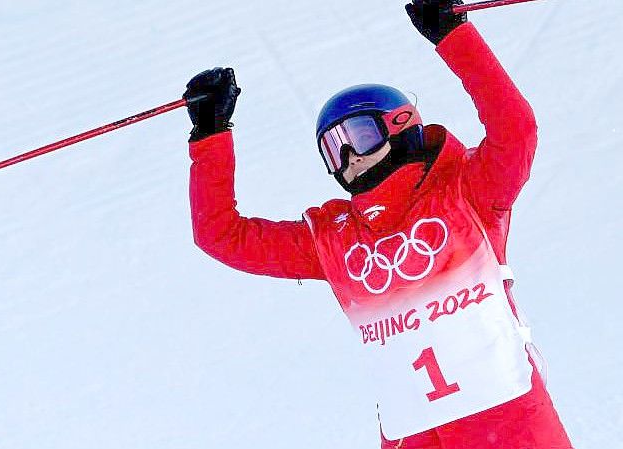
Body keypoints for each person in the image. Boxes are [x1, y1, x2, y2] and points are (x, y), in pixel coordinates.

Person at [184, 1, 573, 448]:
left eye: (360, 136)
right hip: (413, 433)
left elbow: (515, 129)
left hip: (505, 421)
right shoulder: (332, 239)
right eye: (333, 149)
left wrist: (452, 33)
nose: (349, 157)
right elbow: (220, 235)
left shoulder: (470, 193)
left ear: (400, 124)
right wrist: (211, 132)